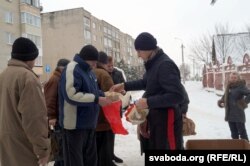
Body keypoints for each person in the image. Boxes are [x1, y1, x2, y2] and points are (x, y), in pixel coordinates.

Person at [111, 32, 184, 150]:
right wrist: (124, 85)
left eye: (139, 51)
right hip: (158, 118)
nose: (138, 55)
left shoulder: (164, 65)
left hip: (167, 118)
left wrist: (148, 102)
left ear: (147, 48)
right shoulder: (154, 63)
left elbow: (177, 95)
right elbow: (146, 83)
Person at [58, 45, 112, 166]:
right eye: (93, 62)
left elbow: (93, 92)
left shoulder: (89, 72)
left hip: (89, 125)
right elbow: (71, 95)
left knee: (91, 161)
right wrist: (97, 99)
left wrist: (107, 94)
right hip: (74, 127)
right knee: (75, 162)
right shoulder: (72, 69)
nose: (94, 65)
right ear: (85, 59)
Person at [0, 37, 50, 166]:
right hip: (24, 144)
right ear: (30, 58)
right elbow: (34, 118)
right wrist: (43, 149)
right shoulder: (28, 78)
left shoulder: (4, 75)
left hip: (6, 140)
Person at [44, 58, 70, 165]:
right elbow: (49, 99)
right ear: (61, 68)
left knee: (61, 146)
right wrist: (51, 116)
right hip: (57, 119)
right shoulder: (55, 79)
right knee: (59, 146)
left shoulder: (60, 78)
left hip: (61, 117)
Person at [93, 51, 117, 166]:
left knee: (94, 152)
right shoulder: (104, 74)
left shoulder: (89, 72)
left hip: (91, 120)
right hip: (104, 119)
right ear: (104, 62)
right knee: (105, 152)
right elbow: (111, 97)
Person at [218, 71, 250, 142]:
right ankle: (236, 147)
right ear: (229, 78)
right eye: (232, 77)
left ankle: (247, 147)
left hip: (238, 113)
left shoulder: (241, 86)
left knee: (242, 134)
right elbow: (225, 96)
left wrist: (243, 103)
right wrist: (221, 102)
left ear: (238, 78)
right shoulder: (229, 86)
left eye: (235, 78)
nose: (233, 79)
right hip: (230, 114)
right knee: (234, 134)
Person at [107, 55, 125, 163]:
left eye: (112, 65)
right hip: (107, 107)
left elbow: (124, 85)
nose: (110, 67)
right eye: (108, 66)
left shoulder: (118, 73)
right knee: (106, 133)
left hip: (116, 106)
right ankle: (107, 155)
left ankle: (111, 154)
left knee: (112, 132)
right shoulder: (102, 73)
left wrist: (123, 91)